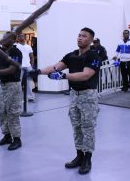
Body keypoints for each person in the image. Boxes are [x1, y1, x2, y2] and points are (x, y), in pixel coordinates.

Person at [33, 27, 100, 174]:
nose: (80, 38)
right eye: (79, 35)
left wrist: (64, 76)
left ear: (90, 40)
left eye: (84, 36)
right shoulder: (71, 55)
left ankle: (87, 159)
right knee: (76, 127)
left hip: (88, 95)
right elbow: (56, 67)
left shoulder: (93, 56)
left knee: (87, 128)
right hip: (74, 95)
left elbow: (86, 75)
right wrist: (38, 72)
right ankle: (79, 156)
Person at [16, 34, 35, 102]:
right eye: (19, 36)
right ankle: (19, 98)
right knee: (18, 82)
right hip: (19, 66)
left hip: (28, 66)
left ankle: (30, 97)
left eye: (22, 36)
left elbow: (32, 57)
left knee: (29, 82)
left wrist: (31, 66)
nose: (21, 37)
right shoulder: (16, 46)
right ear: (17, 38)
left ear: (25, 37)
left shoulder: (28, 47)